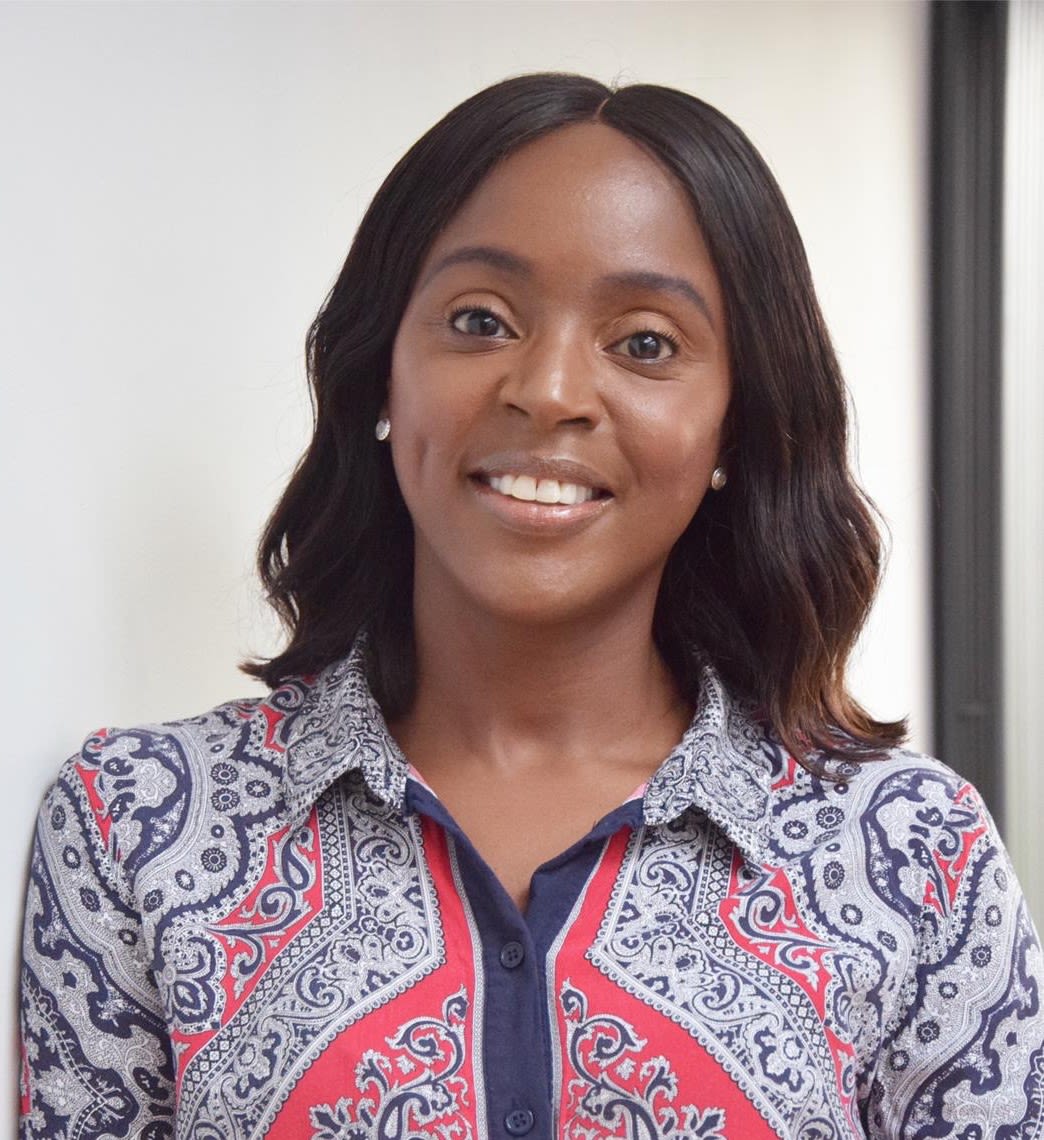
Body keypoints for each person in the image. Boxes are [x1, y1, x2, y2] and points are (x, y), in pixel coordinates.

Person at [19, 73, 1044, 1140]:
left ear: (736, 430)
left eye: (644, 342)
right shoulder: (136, 827)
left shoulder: (916, 854)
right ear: (381, 378)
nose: (549, 390)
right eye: (480, 320)